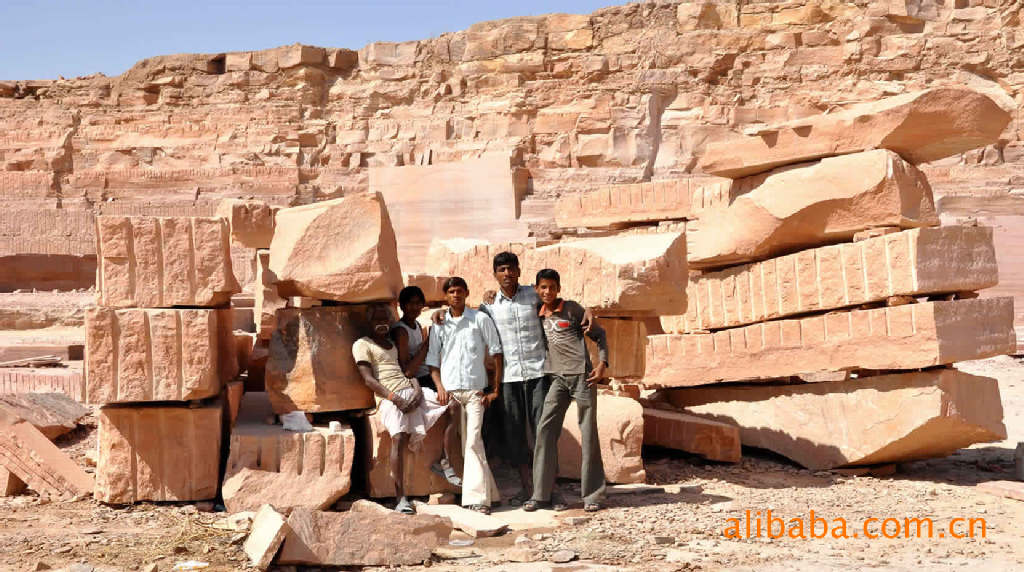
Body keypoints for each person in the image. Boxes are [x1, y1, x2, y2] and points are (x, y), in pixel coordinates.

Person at [354, 304, 460, 515]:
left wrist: (417, 391)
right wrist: (396, 399)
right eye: (377, 319)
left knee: (453, 405)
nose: (382, 323)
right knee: (399, 437)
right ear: (369, 321)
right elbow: (368, 379)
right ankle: (400, 497)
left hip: (410, 390)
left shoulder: (392, 344)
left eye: (385, 319)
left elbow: (407, 372)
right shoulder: (362, 344)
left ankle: (443, 461)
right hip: (389, 397)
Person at [524, 268, 608, 513]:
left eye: (552, 287)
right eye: (543, 287)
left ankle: (593, 495)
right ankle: (540, 494)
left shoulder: (572, 309)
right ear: (537, 289)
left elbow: (600, 335)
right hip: (558, 381)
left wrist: (602, 364)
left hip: (584, 378)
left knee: (589, 433)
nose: (547, 291)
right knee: (544, 431)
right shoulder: (537, 313)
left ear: (558, 288)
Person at [426, 276, 504, 515]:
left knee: (473, 442)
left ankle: (478, 500)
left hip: (474, 393)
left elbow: (497, 352)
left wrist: (495, 389)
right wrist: (439, 387)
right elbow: (432, 361)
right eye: (451, 292)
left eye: (460, 291)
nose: (456, 295)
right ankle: (490, 492)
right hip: (450, 393)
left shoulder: (480, 319)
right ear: (446, 296)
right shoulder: (439, 324)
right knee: (462, 446)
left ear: (467, 292)